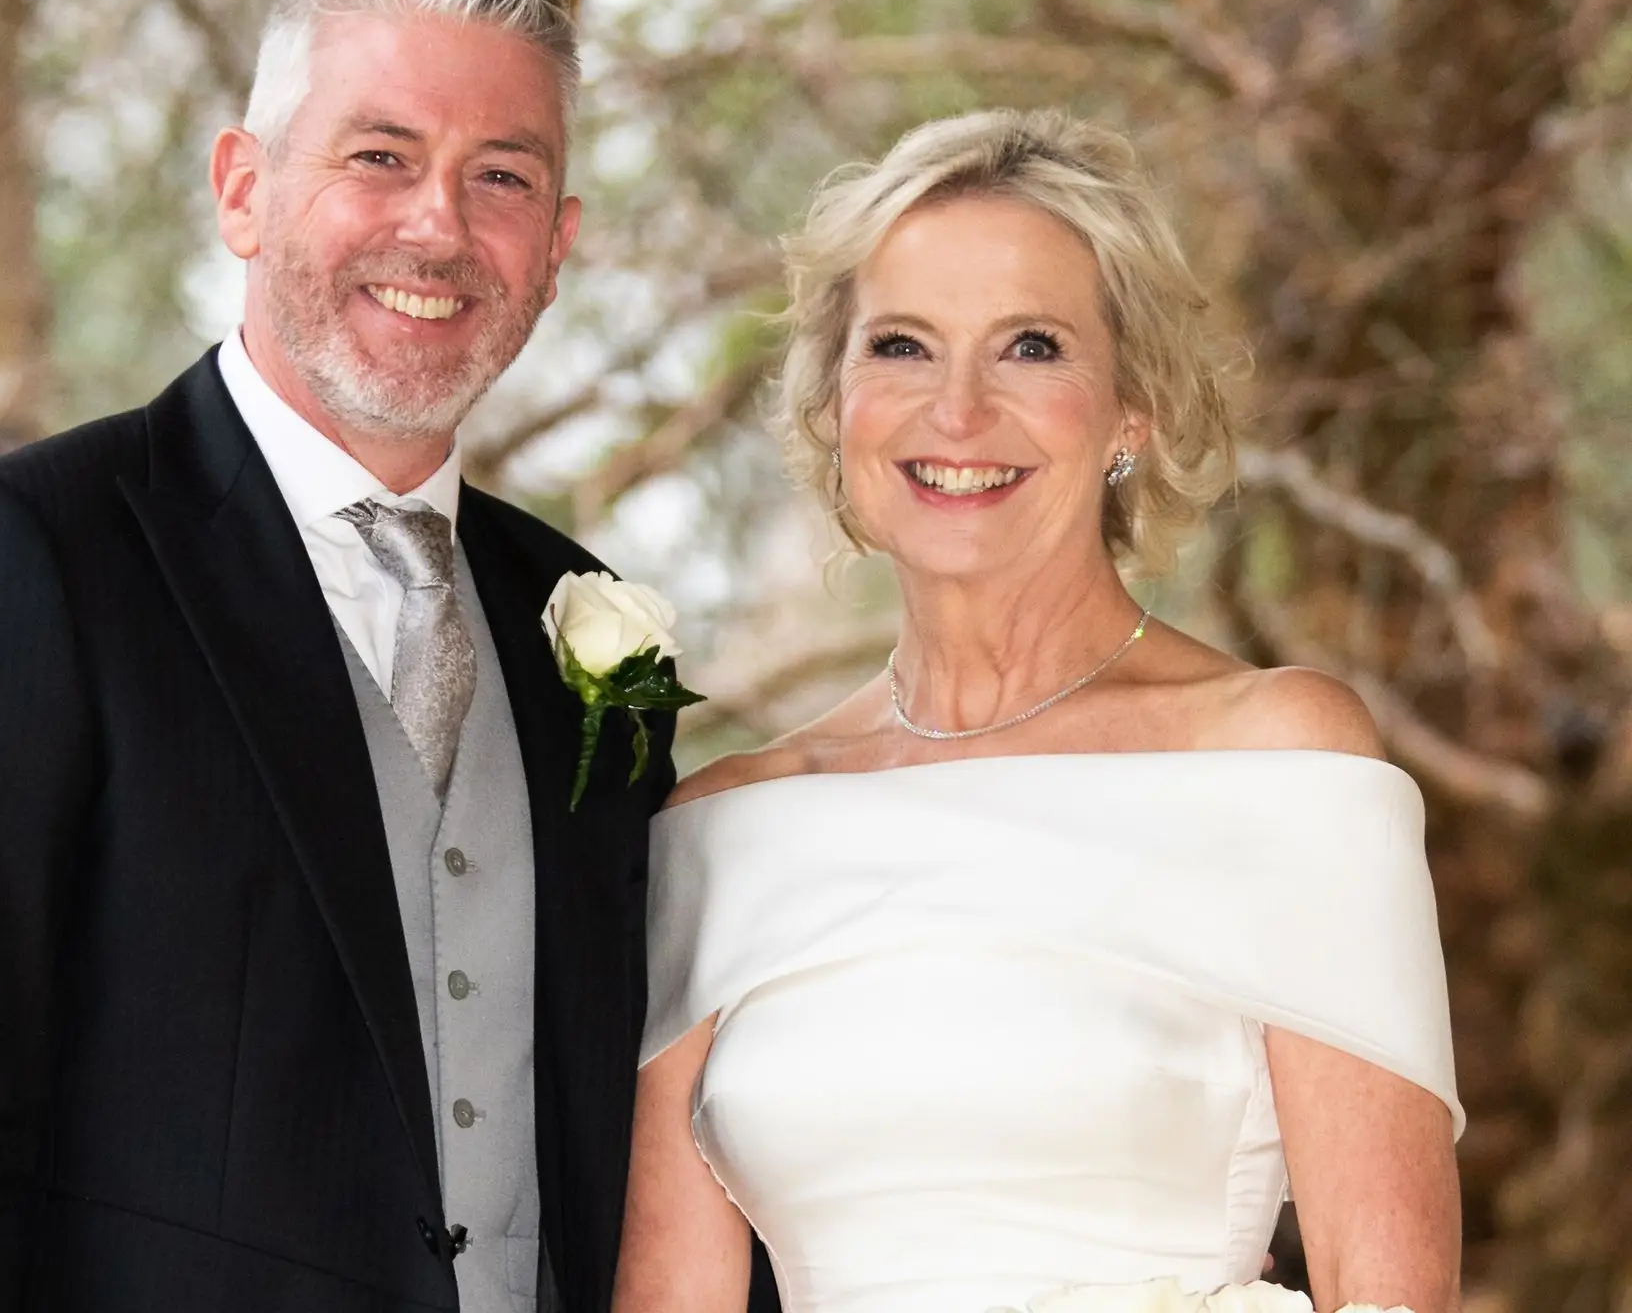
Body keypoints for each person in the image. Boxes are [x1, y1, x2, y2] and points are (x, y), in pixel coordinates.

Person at [0, 0, 669, 1313]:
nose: (439, 226)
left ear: (557, 248)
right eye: (379, 156)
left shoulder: (589, 628)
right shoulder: (17, 560)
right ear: (244, 190)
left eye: (502, 177)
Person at [614, 109, 1463, 1313]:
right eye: (902, 346)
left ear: (1132, 410)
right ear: (835, 402)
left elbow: (1390, 1294)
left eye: (1030, 347)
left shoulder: (1278, 758)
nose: (958, 411)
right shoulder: (723, 827)